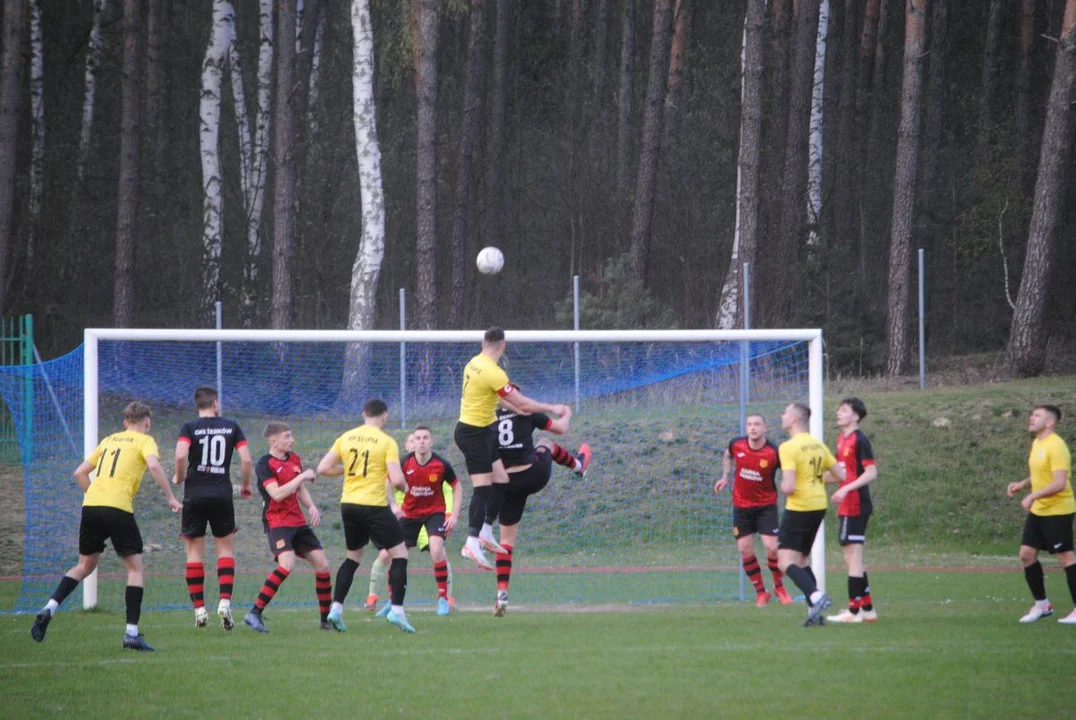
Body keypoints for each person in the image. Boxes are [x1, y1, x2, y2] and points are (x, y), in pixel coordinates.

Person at [30, 402, 183, 651]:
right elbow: (154, 465)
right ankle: (131, 633)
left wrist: (97, 498)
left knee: (84, 565)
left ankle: (49, 607)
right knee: (135, 569)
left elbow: (79, 473)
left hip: (91, 506)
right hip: (118, 507)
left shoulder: (109, 440)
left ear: (124, 422)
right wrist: (170, 498)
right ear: (147, 422)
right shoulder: (145, 441)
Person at [455, 327, 567, 571]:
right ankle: (471, 542)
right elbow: (523, 401)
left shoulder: (473, 362)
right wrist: (553, 407)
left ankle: (485, 532)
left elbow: (499, 398)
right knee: (483, 488)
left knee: (502, 479)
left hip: (482, 432)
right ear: (503, 346)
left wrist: (517, 410)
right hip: (472, 435)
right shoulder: (494, 372)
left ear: (483, 343)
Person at [316, 399, 415, 633]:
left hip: (348, 504)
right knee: (400, 553)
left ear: (363, 414)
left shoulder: (346, 437)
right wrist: (406, 489)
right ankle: (398, 611)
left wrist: (347, 469)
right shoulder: (386, 441)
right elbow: (398, 479)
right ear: (385, 416)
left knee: (353, 557)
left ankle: (336, 609)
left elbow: (322, 468)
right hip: (374, 505)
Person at [487, 396, 591, 616]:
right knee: (546, 443)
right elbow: (561, 428)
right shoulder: (528, 412)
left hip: (506, 483)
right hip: (532, 476)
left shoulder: (488, 418)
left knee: (505, 541)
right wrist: (566, 412)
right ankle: (579, 466)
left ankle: (502, 592)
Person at [173, 385, 254, 630]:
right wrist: (246, 485)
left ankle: (199, 609)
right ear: (216, 403)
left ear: (198, 405)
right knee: (225, 549)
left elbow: (179, 456)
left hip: (195, 494)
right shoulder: (231, 426)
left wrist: (179, 477)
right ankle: (225, 603)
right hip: (221, 494)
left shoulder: (189, 427)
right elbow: (247, 459)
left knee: (194, 553)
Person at [243, 422, 334, 633]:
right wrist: (301, 476)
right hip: (277, 522)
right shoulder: (264, 464)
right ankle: (254, 612)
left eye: (290, 436)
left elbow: (300, 489)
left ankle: (325, 620)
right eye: (286, 436)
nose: (291, 440)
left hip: (298, 521)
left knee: (322, 564)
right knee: (287, 564)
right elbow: (277, 494)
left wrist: (311, 506)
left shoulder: (294, 459)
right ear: (273, 440)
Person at [376, 426, 462, 617]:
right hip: (410, 514)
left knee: (437, 550)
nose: (421, 441)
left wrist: (454, 515)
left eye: (425, 438)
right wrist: (393, 506)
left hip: (435, 512)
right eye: (418, 438)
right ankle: (392, 601)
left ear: (431, 441)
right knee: (397, 556)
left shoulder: (441, 464)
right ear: (413, 442)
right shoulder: (404, 462)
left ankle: (442, 600)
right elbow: (386, 483)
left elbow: (457, 487)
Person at [776, 402, 845, 627]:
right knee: (802, 561)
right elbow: (839, 474)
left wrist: (781, 486)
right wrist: (814, 480)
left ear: (795, 419)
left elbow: (788, 487)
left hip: (800, 507)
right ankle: (815, 614)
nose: (782, 416)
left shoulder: (788, 447)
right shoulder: (817, 445)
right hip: (818, 505)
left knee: (784, 562)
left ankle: (816, 597)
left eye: (785, 413)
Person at [1006, 404, 1076, 624]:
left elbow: (1059, 483)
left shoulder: (1056, 446)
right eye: (1031, 414)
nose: (1031, 418)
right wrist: (1023, 485)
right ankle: (1042, 604)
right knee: (1026, 554)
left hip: (1058, 510)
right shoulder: (1038, 443)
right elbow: (1041, 475)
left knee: (1065, 557)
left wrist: (1032, 496)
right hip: (1040, 511)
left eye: (1037, 416)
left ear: (1049, 422)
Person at [714, 414, 791, 607]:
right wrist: (725, 476)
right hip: (741, 506)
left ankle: (779, 586)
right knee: (744, 549)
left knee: (772, 547)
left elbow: (787, 471)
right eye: (749, 424)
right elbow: (728, 455)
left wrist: (788, 488)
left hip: (766, 506)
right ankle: (761, 592)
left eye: (757, 424)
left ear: (765, 428)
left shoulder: (774, 451)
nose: (753, 428)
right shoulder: (736, 444)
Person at [825, 398, 879, 624]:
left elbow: (871, 472)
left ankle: (853, 612)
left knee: (853, 557)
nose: (838, 413)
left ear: (856, 416)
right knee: (850, 558)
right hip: (847, 503)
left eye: (844, 410)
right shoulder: (842, 439)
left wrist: (846, 489)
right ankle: (867, 609)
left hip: (856, 504)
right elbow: (841, 472)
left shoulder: (860, 439)